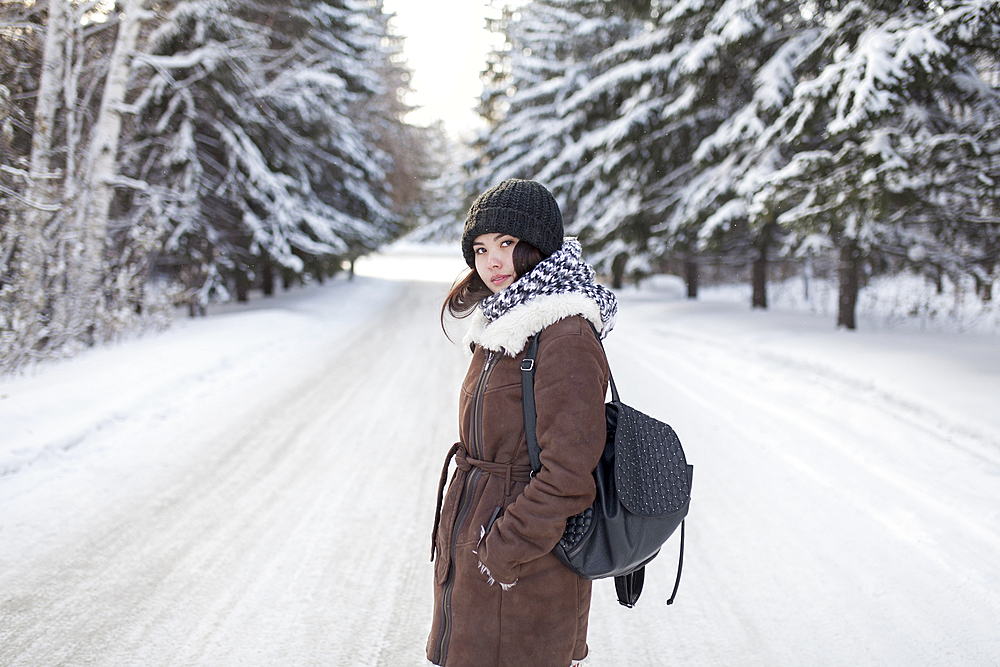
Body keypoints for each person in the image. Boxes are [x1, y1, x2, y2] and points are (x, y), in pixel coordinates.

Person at [427, 179, 618, 667]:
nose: (492, 262)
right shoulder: (503, 326)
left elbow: (569, 474)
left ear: (539, 245)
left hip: (525, 573)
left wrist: (501, 551)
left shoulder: (565, 334)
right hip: (484, 564)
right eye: (481, 248)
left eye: (507, 244)